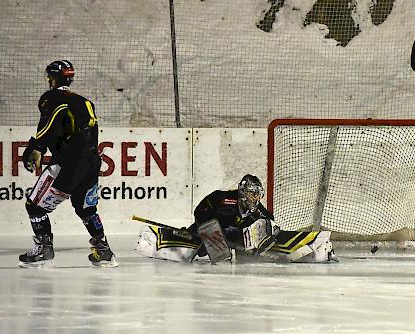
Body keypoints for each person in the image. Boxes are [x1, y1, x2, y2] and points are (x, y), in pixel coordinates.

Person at [19, 60, 117, 268]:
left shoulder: (52, 98)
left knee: (34, 206)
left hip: (69, 163)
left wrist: (37, 147)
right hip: (91, 161)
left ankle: (44, 250)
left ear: (53, 78)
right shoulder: (85, 102)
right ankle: (104, 252)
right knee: (87, 209)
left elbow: (50, 122)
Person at [136, 174, 337, 263]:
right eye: (252, 193)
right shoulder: (222, 198)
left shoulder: (257, 209)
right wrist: (205, 232)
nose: (256, 198)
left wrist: (270, 230)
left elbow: (270, 222)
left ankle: (315, 245)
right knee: (196, 240)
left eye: (258, 194)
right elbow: (200, 211)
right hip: (210, 235)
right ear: (242, 192)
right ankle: (156, 239)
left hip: (233, 240)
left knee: (262, 232)